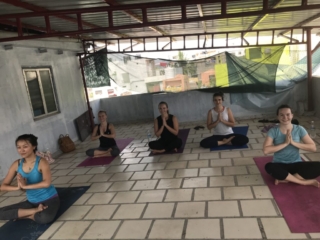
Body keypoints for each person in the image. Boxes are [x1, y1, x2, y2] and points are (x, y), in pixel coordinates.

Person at [0, 134, 60, 224]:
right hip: (32, 202)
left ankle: (28, 215)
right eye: (19, 147)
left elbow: (46, 183)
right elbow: (3, 187)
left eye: (25, 147)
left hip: (49, 199)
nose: (21, 150)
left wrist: (25, 186)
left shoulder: (42, 162)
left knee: (45, 218)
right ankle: (35, 211)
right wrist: (18, 187)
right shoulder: (16, 164)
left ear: (34, 146)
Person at [263, 104, 320, 187]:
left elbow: (313, 148)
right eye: (281, 115)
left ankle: (286, 179)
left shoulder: (299, 129)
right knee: (269, 166)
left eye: (288, 114)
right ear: (277, 117)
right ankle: (303, 182)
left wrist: (293, 143)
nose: (285, 117)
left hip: (296, 164)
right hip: (279, 165)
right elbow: (266, 150)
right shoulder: (273, 131)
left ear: (292, 115)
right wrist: (285, 143)